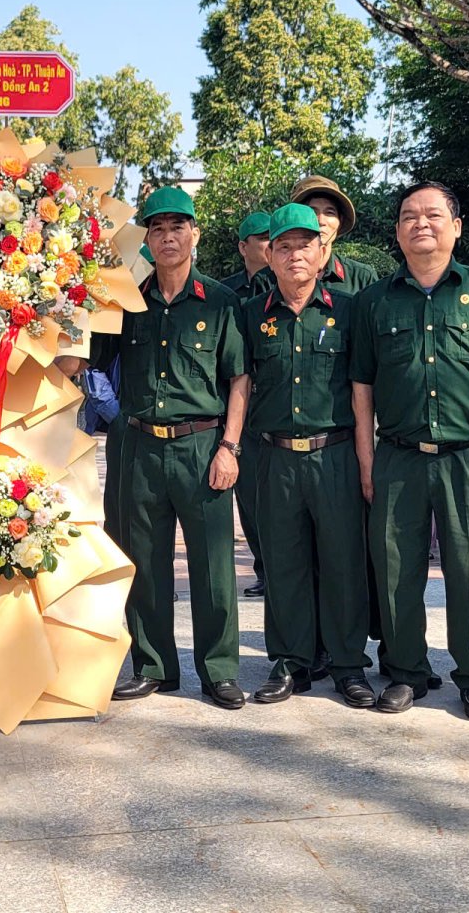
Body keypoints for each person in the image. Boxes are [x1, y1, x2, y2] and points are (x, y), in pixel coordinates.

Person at [350, 180, 469, 718]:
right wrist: (366, 459)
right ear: (397, 231)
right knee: (396, 568)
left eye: (432, 215)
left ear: (457, 227)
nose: (420, 224)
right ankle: (406, 672)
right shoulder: (373, 301)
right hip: (398, 454)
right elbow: (362, 388)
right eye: (408, 216)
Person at [109, 187, 250, 709]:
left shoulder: (220, 301)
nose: (168, 237)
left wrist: (230, 447)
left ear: (195, 233)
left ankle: (218, 670)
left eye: (178, 228)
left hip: (202, 447)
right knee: (144, 562)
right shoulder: (127, 301)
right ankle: (153, 666)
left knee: (213, 565)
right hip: (142, 449)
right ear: (147, 238)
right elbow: (84, 362)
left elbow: (239, 378)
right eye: (158, 229)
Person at [242, 204, 373, 707]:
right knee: (283, 563)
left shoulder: (349, 310)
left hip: (334, 454)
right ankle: (290, 661)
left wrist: (365, 461)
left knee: (343, 563)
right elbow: (239, 384)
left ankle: (346, 665)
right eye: (284, 246)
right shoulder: (251, 315)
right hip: (274, 457)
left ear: (323, 253)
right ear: (269, 255)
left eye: (305, 244)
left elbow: (364, 391)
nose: (295, 254)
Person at [221, 211, 271, 598]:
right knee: (250, 502)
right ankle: (263, 569)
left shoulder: (285, 287)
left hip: (276, 409)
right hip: (240, 413)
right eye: (263, 238)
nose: (271, 245)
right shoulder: (226, 295)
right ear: (243, 247)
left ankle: (281, 570)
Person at [248, 177, 379, 294]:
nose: (321, 221)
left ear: (340, 221)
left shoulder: (361, 277)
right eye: (312, 212)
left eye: (330, 212)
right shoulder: (266, 280)